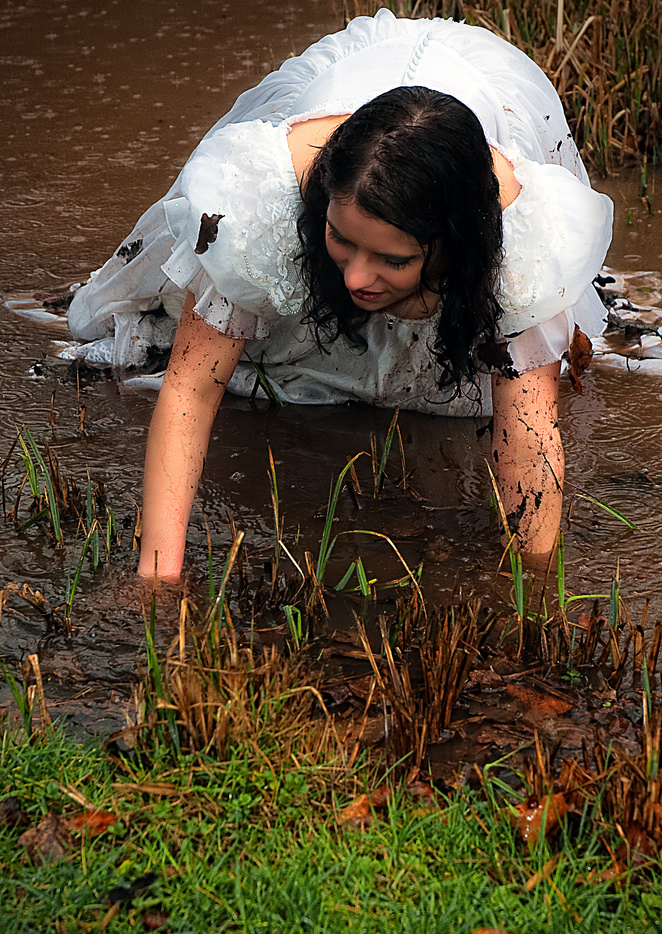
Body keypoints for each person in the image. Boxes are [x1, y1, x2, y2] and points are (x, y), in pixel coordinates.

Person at [67, 9, 614, 583]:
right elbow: (189, 392)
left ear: (453, 248)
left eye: (393, 258)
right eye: (341, 241)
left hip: (482, 104)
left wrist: (531, 593)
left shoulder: (516, 237)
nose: (355, 279)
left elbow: (528, 433)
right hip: (346, 97)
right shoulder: (260, 197)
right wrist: (158, 580)